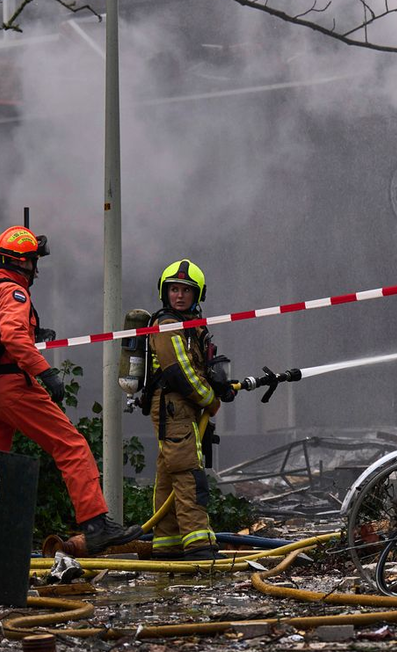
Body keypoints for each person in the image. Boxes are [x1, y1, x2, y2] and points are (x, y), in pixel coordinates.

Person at [0, 224, 142, 553]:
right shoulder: (14, 291)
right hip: (12, 386)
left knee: (2, 465)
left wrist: (35, 334)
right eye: (34, 260)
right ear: (23, 262)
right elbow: (10, 335)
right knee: (71, 446)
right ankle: (95, 525)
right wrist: (45, 372)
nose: (37, 268)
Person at [144, 259, 233, 561]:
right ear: (164, 292)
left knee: (170, 471)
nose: (179, 296)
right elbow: (179, 371)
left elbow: (196, 366)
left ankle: (166, 542)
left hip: (179, 407)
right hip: (174, 406)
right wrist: (210, 399)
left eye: (186, 290)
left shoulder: (190, 327)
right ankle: (198, 545)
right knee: (187, 472)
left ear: (198, 295)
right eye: (174, 290)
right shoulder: (168, 326)